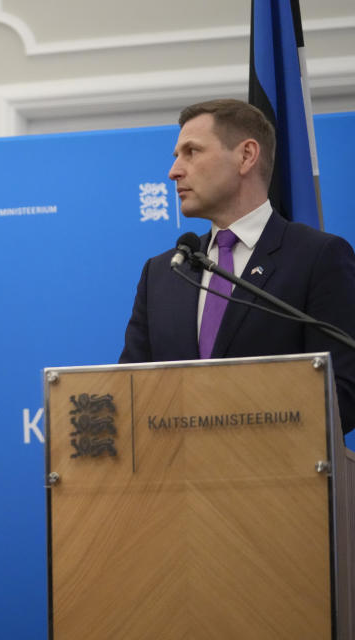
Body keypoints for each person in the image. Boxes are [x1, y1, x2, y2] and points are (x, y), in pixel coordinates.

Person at [119, 99, 355, 434]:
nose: (174, 171)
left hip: (281, 478)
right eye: (176, 157)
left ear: (245, 156)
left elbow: (342, 392)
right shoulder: (163, 272)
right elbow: (130, 392)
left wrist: (237, 441)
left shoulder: (317, 257)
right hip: (176, 480)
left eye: (192, 152)